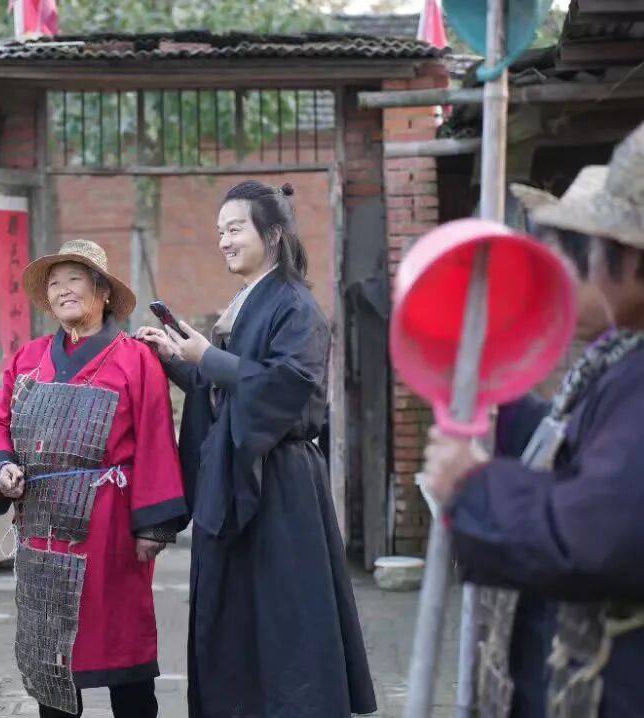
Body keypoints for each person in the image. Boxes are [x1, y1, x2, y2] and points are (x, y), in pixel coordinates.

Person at [423, 123, 644, 718]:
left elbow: (596, 532)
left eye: (575, 255)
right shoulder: (619, 358)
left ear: (625, 256)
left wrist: (474, 487)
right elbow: (582, 457)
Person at [138, 181, 376, 717]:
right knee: (236, 626)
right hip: (237, 480)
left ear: (272, 235)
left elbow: (287, 389)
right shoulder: (246, 304)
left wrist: (208, 358)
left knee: (286, 624)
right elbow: (227, 392)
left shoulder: (296, 306)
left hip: (281, 488)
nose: (223, 241)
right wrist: (177, 357)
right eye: (219, 231)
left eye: (234, 229)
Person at [0, 239, 187, 718]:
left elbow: (156, 438)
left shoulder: (136, 358)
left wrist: (153, 526)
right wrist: (2, 466)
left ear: (103, 292)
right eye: (54, 283)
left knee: (123, 648)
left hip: (111, 528)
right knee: (50, 654)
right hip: (43, 528)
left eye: (75, 279)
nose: (63, 290)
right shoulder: (27, 359)